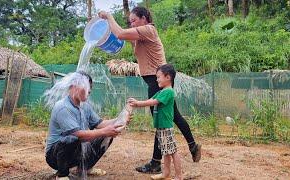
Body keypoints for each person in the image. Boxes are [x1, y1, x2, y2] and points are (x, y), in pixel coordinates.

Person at [98, 6, 201, 173]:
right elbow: (119, 37)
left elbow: (120, 34)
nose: (132, 24)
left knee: (161, 119)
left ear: (144, 18)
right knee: (173, 116)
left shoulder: (148, 30)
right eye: (130, 22)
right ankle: (192, 146)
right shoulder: (140, 36)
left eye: (134, 20)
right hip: (156, 80)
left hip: (159, 80)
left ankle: (156, 162)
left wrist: (108, 16)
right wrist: (106, 30)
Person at [45, 72, 127, 179]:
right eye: (87, 87)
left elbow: (100, 124)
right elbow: (80, 135)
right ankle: (62, 174)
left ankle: (85, 168)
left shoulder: (85, 106)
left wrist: (121, 119)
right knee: (70, 139)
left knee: (107, 136)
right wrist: (105, 131)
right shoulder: (63, 107)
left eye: (90, 88)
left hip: (74, 151)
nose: (90, 91)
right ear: (75, 86)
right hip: (55, 157)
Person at [128, 64, 182, 180]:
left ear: (168, 77)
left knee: (173, 152)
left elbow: (153, 102)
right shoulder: (162, 91)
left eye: (158, 77)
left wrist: (138, 103)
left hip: (166, 127)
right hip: (161, 127)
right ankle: (166, 173)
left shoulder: (168, 92)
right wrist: (138, 103)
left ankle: (179, 176)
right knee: (166, 151)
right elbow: (151, 99)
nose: (157, 79)